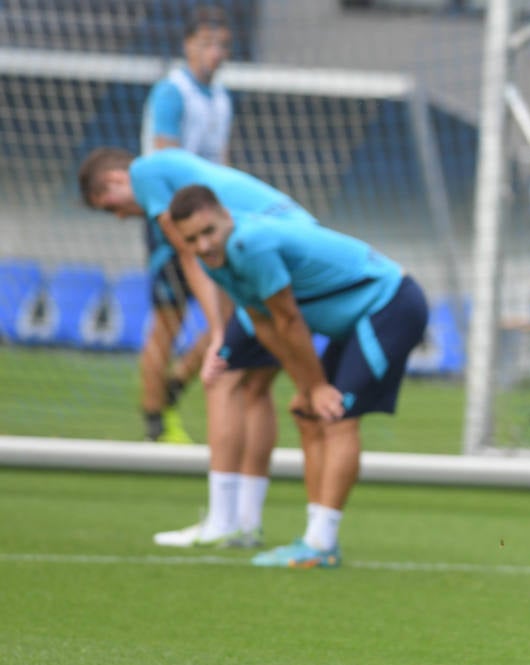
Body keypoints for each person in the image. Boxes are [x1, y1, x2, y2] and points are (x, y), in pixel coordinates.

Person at [168, 184, 429, 569]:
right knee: (308, 413)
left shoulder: (250, 244)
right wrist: (307, 389)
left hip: (389, 305)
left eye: (209, 232)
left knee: (336, 415)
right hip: (355, 321)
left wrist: (317, 386)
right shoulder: (214, 259)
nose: (204, 245)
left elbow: (288, 318)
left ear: (225, 215)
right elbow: (263, 322)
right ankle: (314, 539)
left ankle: (322, 544)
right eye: (192, 240)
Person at [78, 147, 312, 549]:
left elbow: (193, 254)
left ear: (117, 180)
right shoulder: (182, 171)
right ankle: (246, 523)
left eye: (109, 205)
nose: (118, 216)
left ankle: (222, 521)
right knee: (255, 390)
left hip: (273, 254)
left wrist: (218, 331)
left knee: (222, 381)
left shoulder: (147, 172)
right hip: (299, 246)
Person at [137, 4, 235, 443]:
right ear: (188, 46)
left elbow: (223, 166)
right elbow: (165, 156)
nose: (216, 53)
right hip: (170, 221)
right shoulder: (172, 93)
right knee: (169, 320)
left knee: (231, 314)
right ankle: (155, 421)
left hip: (209, 221)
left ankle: (176, 383)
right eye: (208, 43)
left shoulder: (222, 99)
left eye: (223, 45)